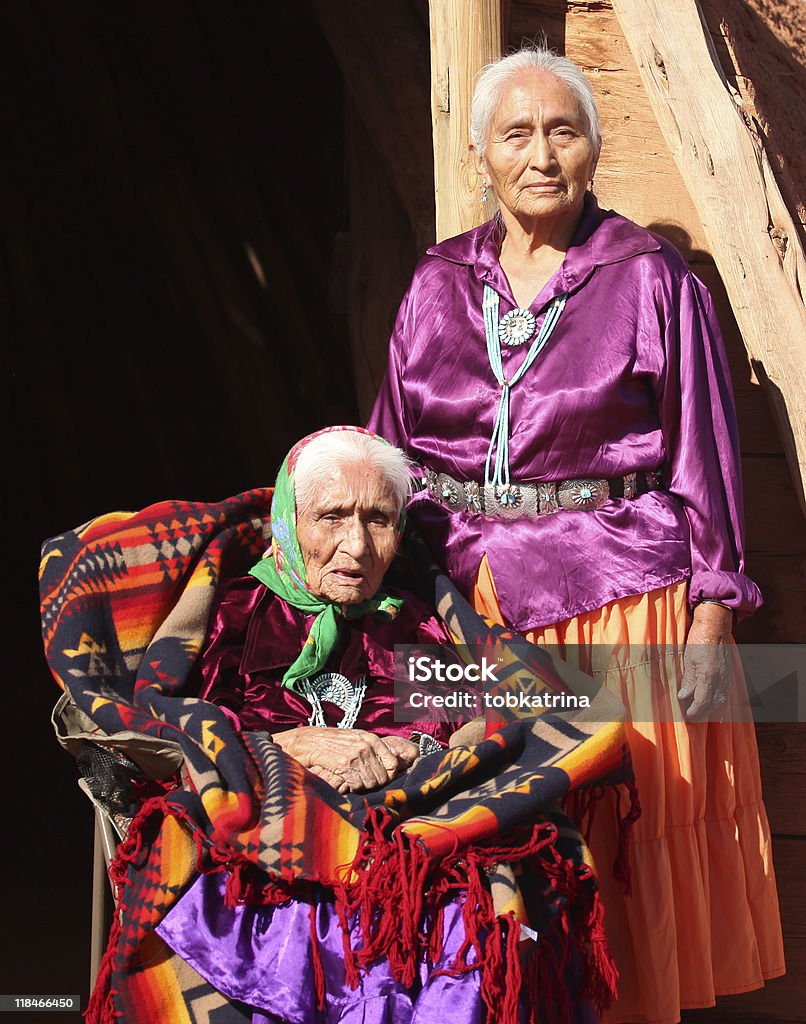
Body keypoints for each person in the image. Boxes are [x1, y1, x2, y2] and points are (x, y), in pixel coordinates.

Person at [367, 44, 785, 1024]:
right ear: (480, 155)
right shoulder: (433, 285)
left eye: (562, 131)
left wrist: (712, 607)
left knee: (615, 842)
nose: (541, 154)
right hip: (465, 613)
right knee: (481, 849)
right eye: (516, 133)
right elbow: (386, 445)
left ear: (593, 150)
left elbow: (702, 447)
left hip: (619, 598)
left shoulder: (646, 278)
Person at [150, 425, 606, 1024]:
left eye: (378, 520)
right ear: (291, 521)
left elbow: (461, 729)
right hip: (274, 834)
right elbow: (191, 724)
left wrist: (413, 753)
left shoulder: (416, 624)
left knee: (466, 917)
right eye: (333, 518)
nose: (357, 546)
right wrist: (289, 746)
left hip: (404, 833)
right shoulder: (240, 613)